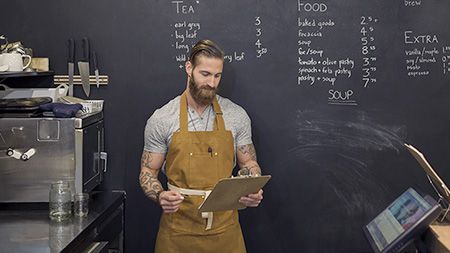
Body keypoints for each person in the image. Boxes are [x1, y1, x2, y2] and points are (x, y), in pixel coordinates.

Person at [140, 39, 264, 253]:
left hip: (225, 233)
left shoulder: (236, 115)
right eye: (205, 74)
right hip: (177, 235)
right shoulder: (162, 119)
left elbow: (249, 163)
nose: (212, 83)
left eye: (217, 76)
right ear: (189, 68)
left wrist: (251, 186)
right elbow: (148, 171)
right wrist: (160, 195)